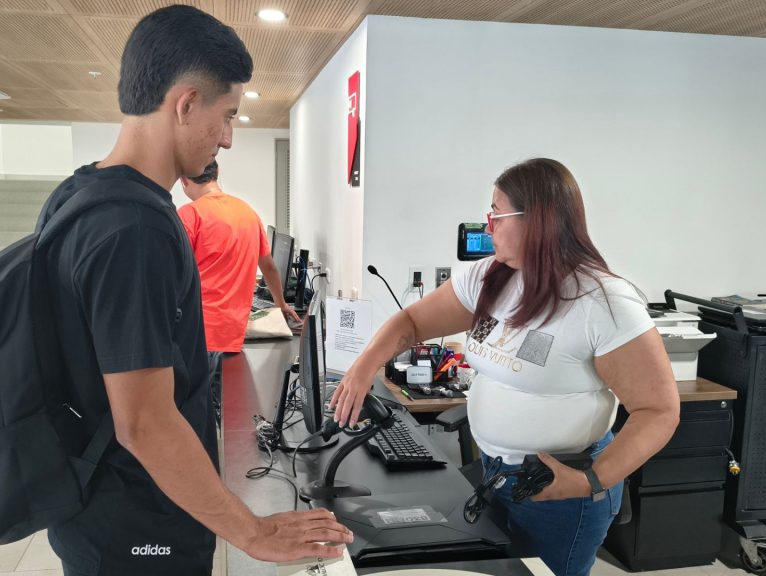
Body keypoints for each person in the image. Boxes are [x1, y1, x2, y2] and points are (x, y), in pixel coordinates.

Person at [34, 6, 350, 575]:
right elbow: (145, 422)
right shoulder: (137, 226)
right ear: (185, 104)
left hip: (95, 507)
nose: (227, 139)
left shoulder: (77, 194)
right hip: (138, 524)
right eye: (227, 116)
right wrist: (251, 531)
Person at [330, 158, 679, 576]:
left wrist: (589, 481)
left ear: (539, 220)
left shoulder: (602, 302)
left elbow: (658, 411)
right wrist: (363, 366)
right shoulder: (489, 277)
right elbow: (413, 322)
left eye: (497, 213)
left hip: (561, 487)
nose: (488, 225)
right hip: (494, 473)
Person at [178, 160, 300, 423]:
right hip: (233, 334)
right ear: (218, 173)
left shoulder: (190, 215)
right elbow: (269, 266)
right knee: (230, 419)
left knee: (201, 420)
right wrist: (281, 303)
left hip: (198, 338)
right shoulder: (248, 213)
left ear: (184, 181)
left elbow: (172, 275)